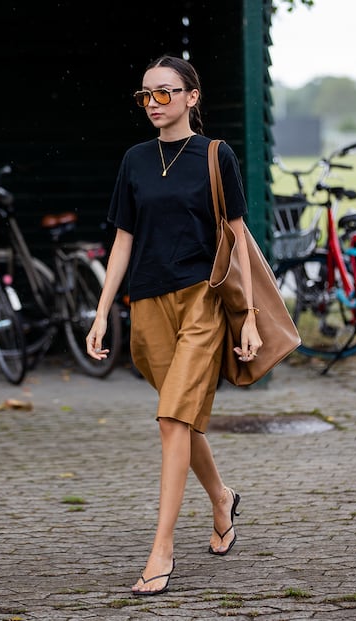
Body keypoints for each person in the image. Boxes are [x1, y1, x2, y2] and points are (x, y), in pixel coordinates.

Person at [86, 55, 262, 596]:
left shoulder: (216, 155)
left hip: (201, 303)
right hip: (147, 306)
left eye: (165, 93)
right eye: (146, 95)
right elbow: (123, 240)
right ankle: (221, 498)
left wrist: (249, 317)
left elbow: (237, 238)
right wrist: (100, 312)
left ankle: (160, 551)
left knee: (170, 422)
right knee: (178, 419)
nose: (154, 104)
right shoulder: (135, 160)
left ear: (192, 96)